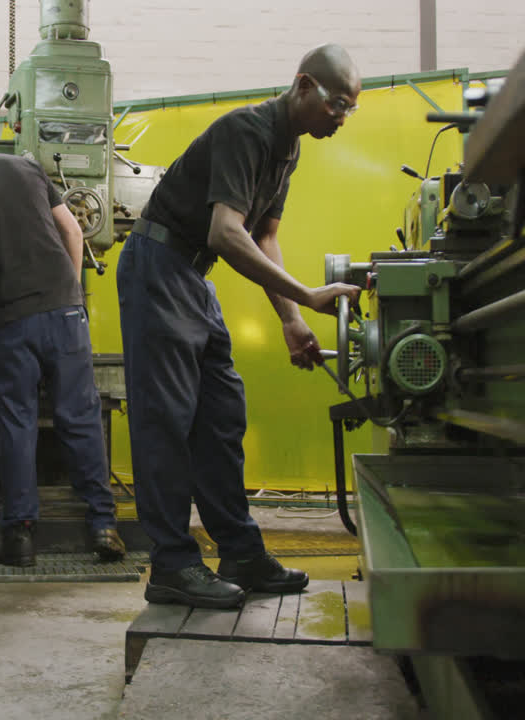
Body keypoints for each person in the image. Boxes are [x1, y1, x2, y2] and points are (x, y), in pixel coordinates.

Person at [115, 44, 363, 609]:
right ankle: (172, 565)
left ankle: (241, 553)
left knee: (221, 414)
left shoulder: (287, 150)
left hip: (191, 277)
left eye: (351, 110)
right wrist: (308, 293)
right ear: (303, 85)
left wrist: (293, 320)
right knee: (167, 422)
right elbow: (227, 233)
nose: (342, 119)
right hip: (160, 266)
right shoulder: (246, 131)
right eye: (337, 105)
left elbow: (264, 235)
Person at [0, 108, 126, 567]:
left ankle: (18, 536)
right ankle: (103, 527)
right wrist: (71, 291)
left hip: (12, 321)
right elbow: (74, 229)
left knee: (16, 422)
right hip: (65, 312)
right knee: (79, 415)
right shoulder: (27, 165)